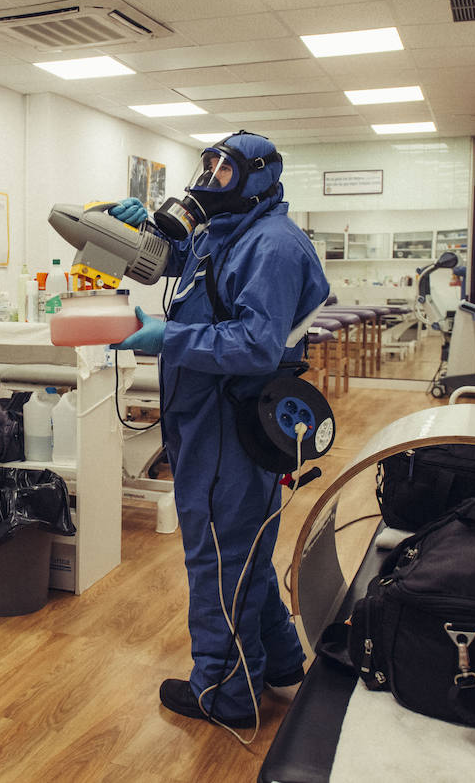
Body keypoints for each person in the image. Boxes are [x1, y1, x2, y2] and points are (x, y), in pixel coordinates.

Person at [107, 131, 330, 731]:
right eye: (205, 165)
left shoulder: (274, 247)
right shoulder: (225, 231)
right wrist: (135, 236)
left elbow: (256, 345)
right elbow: (180, 270)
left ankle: (227, 693)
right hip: (205, 421)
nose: (208, 179)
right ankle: (281, 664)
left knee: (218, 560)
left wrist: (165, 337)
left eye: (223, 170)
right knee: (247, 554)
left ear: (257, 177)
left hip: (230, 427)